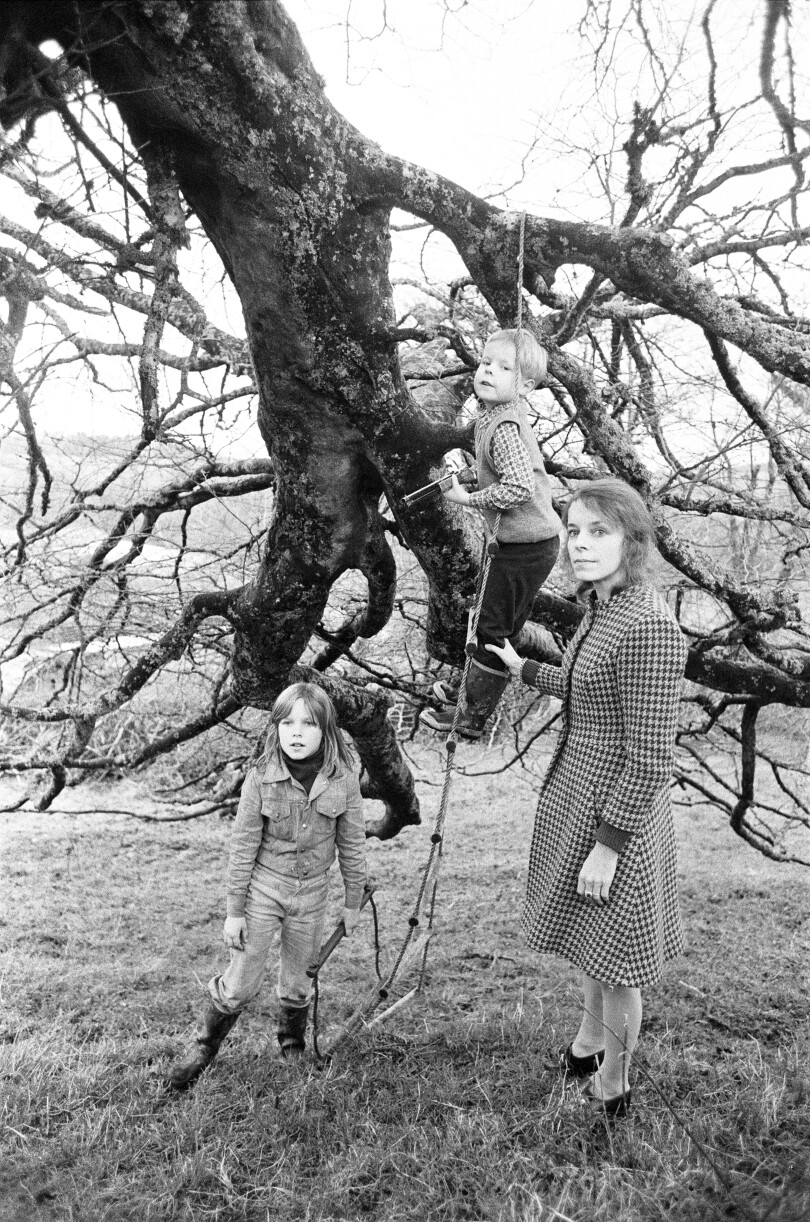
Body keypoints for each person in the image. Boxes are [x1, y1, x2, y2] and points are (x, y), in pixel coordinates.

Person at [487, 479, 686, 1117]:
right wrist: (523, 668)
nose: (580, 543)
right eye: (573, 530)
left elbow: (650, 758)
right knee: (594, 942)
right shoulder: (603, 609)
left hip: (617, 817)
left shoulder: (650, 627)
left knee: (618, 959)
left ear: (633, 540)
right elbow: (584, 686)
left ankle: (614, 1084)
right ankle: (588, 1043)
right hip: (580, 802)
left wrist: (609, 847)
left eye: (599, 531)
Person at [168, 682, 367, 1089]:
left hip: (312, 894)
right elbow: (242, 848)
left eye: (308, 724)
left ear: (326, 730)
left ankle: (292, 1045)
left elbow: (352, 845)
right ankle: (204, 1048)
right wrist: (234, 912)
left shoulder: (344, 780)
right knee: (240, 982)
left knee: (299, 978)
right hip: (263, 890)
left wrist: (352, 903)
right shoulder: (260, 777)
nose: (296, 733)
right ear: (275, 727)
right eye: (287, 723)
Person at [420, 327, 562, 739]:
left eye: (504, 368)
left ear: (525, 386)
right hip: (529, 544)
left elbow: (518, 488)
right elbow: (497, 469)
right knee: (495, 623)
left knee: (491, 627)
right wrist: (469, 475)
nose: (488, 372)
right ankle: (471, 692)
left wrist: (467, 499)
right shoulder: (491, 417)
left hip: (525, 548)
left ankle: (470, 717)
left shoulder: (503, 427)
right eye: (485, 363)